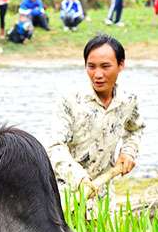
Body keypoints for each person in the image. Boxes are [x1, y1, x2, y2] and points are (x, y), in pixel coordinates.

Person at [48, 34, 144, 198]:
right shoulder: (70, 101)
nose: (97, 74)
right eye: (91, 67)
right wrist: (79, 179)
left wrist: (128, 152)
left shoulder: (127, 100)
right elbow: (54, 146)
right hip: (66, 194)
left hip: (104, 195)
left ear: (121, 65)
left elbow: (135, 129)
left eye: (105, 66)